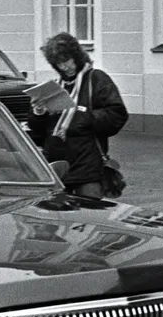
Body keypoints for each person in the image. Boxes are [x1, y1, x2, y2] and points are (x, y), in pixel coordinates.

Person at [27, 32, 128, 197]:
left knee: (89, 215)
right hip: (56, 166)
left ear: (77, 57)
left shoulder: (96, 79)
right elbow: (38, 133)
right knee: (57, 216)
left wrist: (86, 117)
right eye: (58, 64)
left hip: (87, 166)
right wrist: (38, 113)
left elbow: (117, 114)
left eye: (66, 61)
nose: (64, 67)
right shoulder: (56, 86)